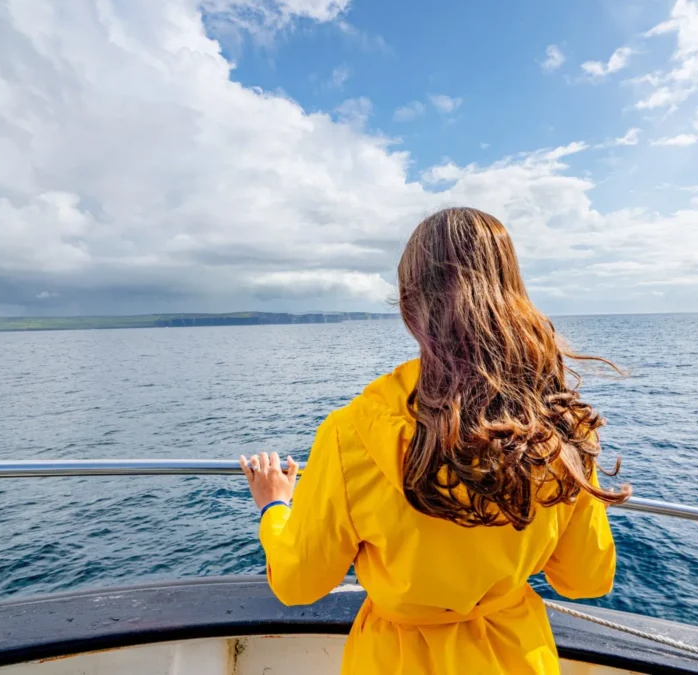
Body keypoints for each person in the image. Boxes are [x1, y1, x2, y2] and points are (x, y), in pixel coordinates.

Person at [240, 207, 630, 674]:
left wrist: (274, 509)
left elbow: (297, 584)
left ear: (410, 305)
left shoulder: (354, 434)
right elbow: (585, 579)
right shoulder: (558, 426)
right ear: (513, 292)